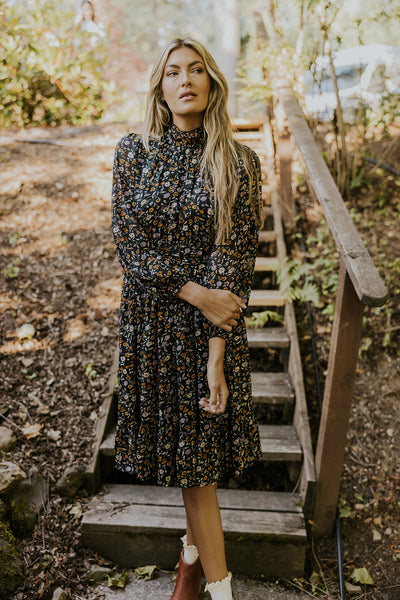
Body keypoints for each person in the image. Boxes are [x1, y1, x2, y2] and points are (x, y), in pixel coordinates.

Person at [112, 37, 263, 600]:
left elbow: (234, 254)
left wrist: (216, 354)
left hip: (208, 337)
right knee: (186, 463)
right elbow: (132, 248)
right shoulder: (134, 154)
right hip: (151, 329)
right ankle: (190, 561)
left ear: (212, 82)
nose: (186, 79)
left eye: (196, 69)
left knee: (199, 469)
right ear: (160, 87)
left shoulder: (239, 161)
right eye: (173, 71)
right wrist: (196, 292)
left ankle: (216, 586)